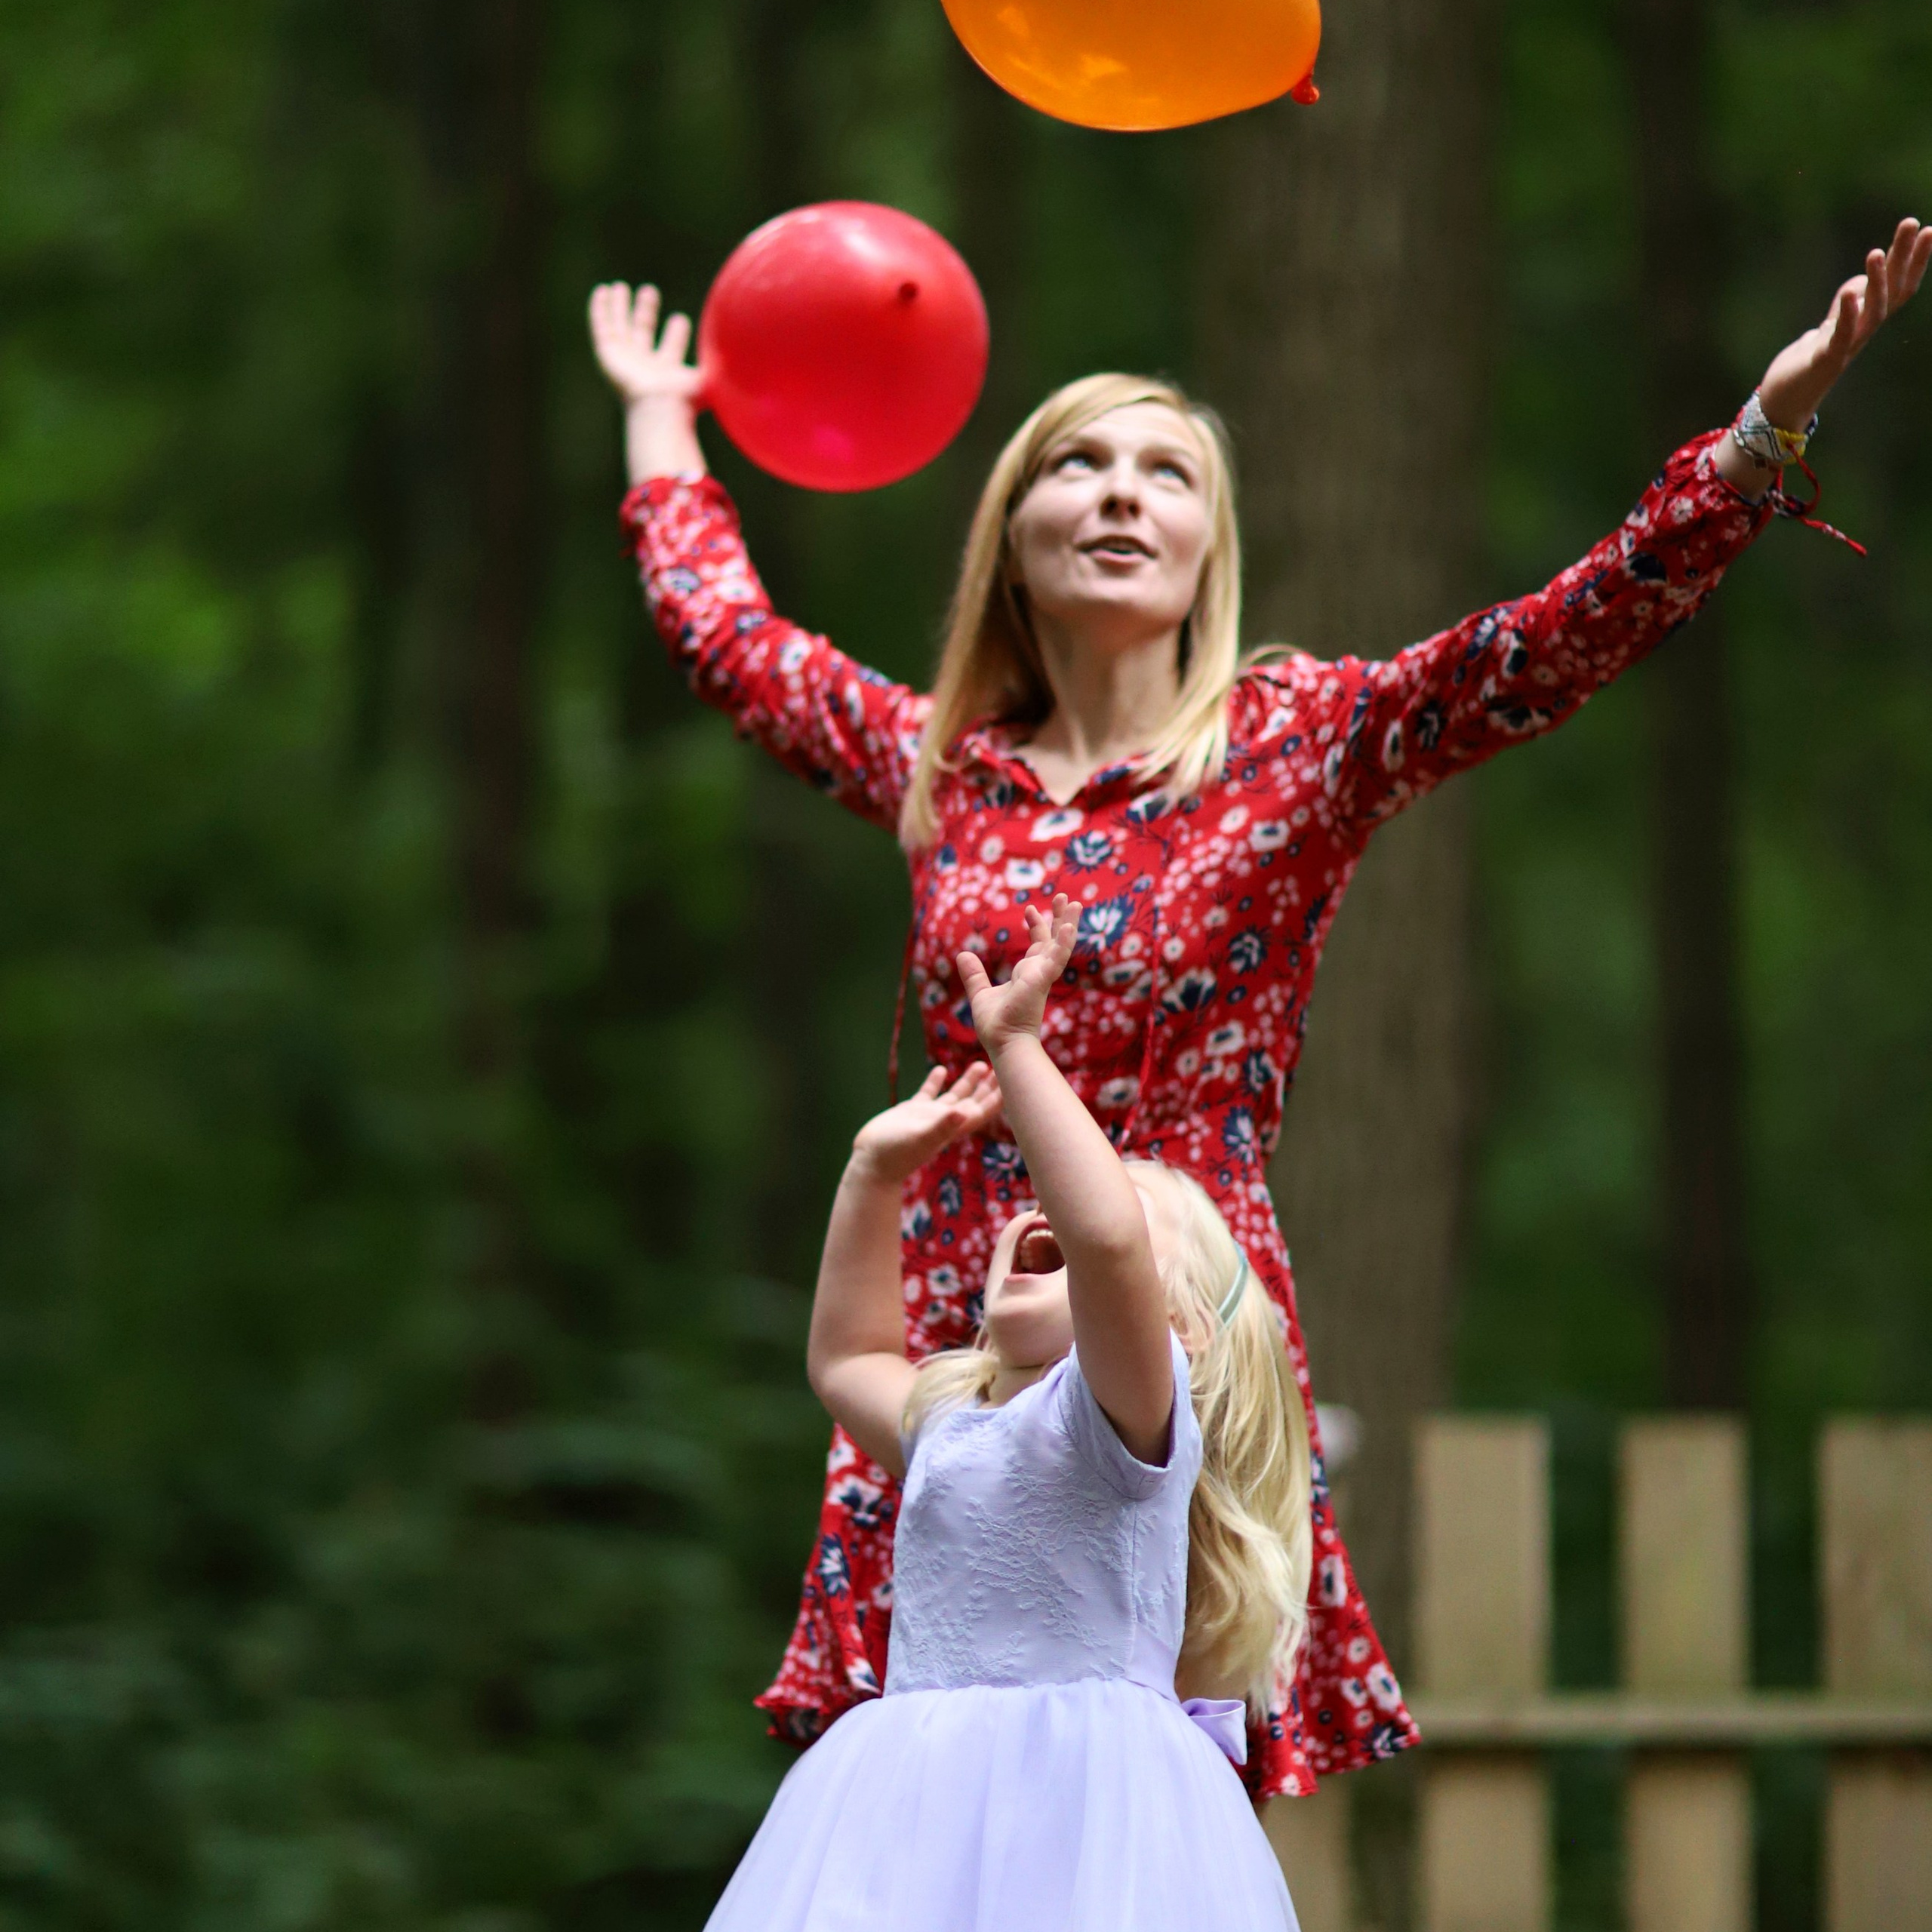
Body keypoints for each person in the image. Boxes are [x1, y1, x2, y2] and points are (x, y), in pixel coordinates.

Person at [589, 216, 1931, 1797]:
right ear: (1009, 535)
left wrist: (1758, 437)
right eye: (1076, 463)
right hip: (956, 1322)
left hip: (1169, 1318)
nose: (1118, 493)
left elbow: (1545, 642)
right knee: (937, 1802)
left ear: (1207, 553)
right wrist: (662, 413)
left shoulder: (1296, 741)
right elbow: (724, 636)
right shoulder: (940, 768)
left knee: (1145, 1801)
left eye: (1164, 473)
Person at [705, 891, 1309, 1932]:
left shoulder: (1124, 1422)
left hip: (1083, 1821)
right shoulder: (957, 1423)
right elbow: (848, 1358)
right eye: (1043, 1201)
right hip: (910, 1812)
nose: (1049, 1204)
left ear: (1178, 1329)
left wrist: (1019, 1049)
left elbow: (1107, 1242)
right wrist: (873, 1173)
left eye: (1090, 1196)